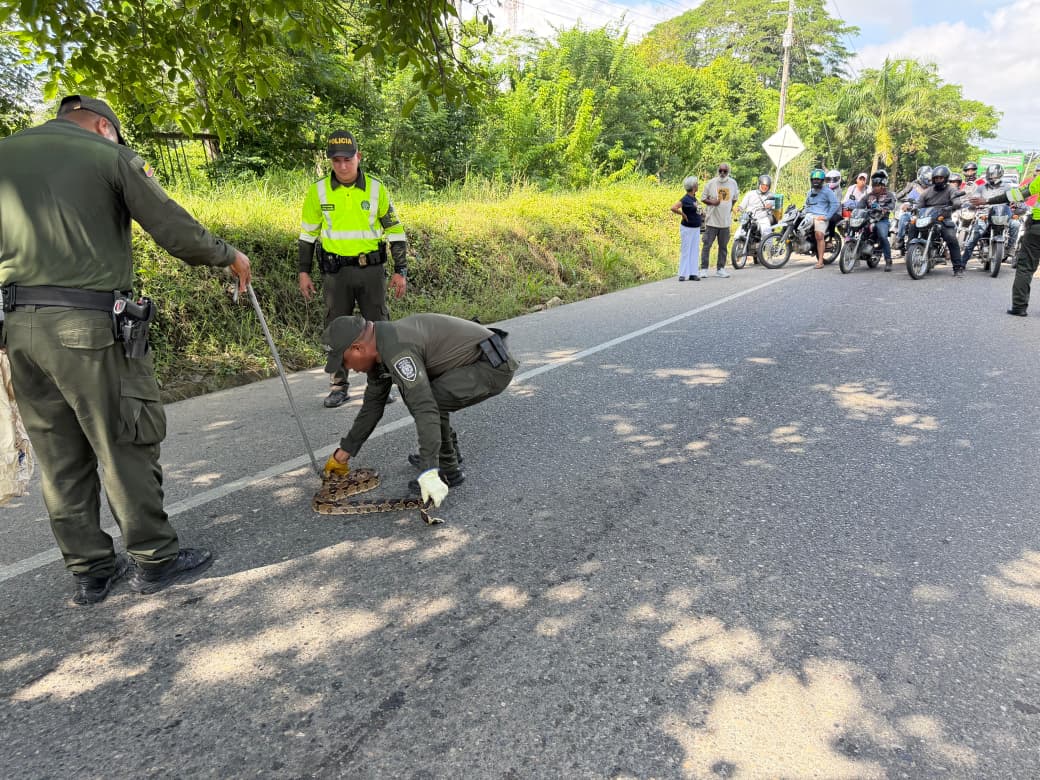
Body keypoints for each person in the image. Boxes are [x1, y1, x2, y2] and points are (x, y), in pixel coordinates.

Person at [0, 95, 252, 605]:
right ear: (102, 126)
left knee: (59, 456)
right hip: (87, 329)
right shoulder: (107, 155)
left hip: (18, 330)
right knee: (123, 440)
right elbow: (172, 226)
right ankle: (155, 559)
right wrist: (228, 256)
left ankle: (90, 571)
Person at [320, 313, 518, 505]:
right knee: (415, 393)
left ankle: (447, 470)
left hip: (492, 366)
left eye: (344, 362)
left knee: (425, 399)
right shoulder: (379, 347)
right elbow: (372, 407)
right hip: (470, 363)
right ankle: (447, 452)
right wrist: (343, 454)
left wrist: (428, 469)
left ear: (357, 348)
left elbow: (425, 407)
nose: (349, 369)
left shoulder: (398, 352)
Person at [299, 130, 408, 408]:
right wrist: (303, 271)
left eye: (348, 159)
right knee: (336, 329)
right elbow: (308, 235)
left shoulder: (376, 188)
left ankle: (381, 383)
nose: (343, 166)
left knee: (379, 327)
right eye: (336, 160)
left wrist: (401, 270)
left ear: (358, 157)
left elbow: (394, 231)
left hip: (371, 272)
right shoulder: (318, 191)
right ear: (330, 162)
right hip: (335, 274)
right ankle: (338, 386)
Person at [971, 172, 1040, 316]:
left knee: (1025, 268)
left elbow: (1017, 195)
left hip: (1036, 229)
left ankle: (1019, 307)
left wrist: (987, 201)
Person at [906, 165, 966, 276]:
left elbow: (956, 201)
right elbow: (919, 204)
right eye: (936, 178)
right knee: (912, 225)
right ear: (933, 179)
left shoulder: (951, 189)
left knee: (951, 238)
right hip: (927, 217)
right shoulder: (927, 192)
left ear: (946, 178)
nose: (938, 180)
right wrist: (914, 208)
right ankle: (910, 252)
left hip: (942, 218)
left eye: (940, 178)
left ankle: (958, 268)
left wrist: (953, 206)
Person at [961, 164, 1022, 264]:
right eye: (991, 176)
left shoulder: (1008, 187)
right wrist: (972, 204)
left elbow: (1018, 198)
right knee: (974, 236)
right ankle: (962, 262)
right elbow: (974, 199)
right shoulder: (981, 188)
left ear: (1000, 175)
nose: (993, 178)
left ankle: (1009, 249)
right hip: (985, 215)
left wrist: (1018, 203)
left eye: (995, 176)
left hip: (1004, 215)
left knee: (1016, 224)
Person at [699, 163, 739, 277]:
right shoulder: (711, 183)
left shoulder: (732, 183)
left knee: (723, 247)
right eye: (720, 171)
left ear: (728, 172)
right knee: (707, 245)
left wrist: (729, 208)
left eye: (724, 171)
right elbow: (703, 198)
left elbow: (735, 198)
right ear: (718, 171)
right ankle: (704, 269)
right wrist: (713, 202)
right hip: (712, 221)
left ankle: (720, 268)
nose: (722, 173)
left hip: (725, 222)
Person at [855, 170, 897, 271]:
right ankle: (855, 252)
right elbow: (860, 205)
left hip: (882, 220)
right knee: (856, 229)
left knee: (883, 236)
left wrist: (884, 209)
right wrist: (854, 209)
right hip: (868, 219)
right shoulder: (868, 196)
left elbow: (892, 206)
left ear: (883, 185)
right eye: (874, 185)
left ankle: (888, 260)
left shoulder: (889, 195)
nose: (875, 187)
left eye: (877, 185)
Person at [804, 168, 840, 269]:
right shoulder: (809, 192)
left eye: (818, 179)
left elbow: (835, 204)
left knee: (819, 235)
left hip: (821, 217)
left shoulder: (827, 191)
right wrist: (804, 212)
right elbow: (806, 204)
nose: (816, 181)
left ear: (822, 181)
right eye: (814, 179)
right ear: (811, 180)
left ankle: (820, 261)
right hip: (809, 215)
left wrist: (826, 217)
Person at [737, 174, 778, 259]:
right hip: (749, 217)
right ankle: (737, 252)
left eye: (767, 186)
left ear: (769, 186)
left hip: (762, 218)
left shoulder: (771, 195)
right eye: (763, 185)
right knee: (739, 232)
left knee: (767, 233)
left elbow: (775, 206)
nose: (764, 187)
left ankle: (769, 256)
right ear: (759, 184)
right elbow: (742, 205)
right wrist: (739, 208)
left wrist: (771, 205)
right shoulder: (750, 194)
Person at [670, 176, 702, 281]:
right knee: (686, 250)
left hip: (696, 228)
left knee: (694, 250)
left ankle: (693, 273)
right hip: (687, 228)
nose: (698, 186)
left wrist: (705, 215)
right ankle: (682, 274)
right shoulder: (685, 199)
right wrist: (682, 214)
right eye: (696, 184)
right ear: (693, 187)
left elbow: (700, 211)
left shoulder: (694, 198)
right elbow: (673, 207)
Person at [894, 166, 932, 253]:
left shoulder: (933, 189)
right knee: (903, 218)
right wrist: (905, 204)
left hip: (926, 214)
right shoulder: (914, 187)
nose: (928, 180)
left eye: (930, 178)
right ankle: (900, 239)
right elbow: (905, 197)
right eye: (927, 178)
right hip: (913, 212)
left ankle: (942, 248)